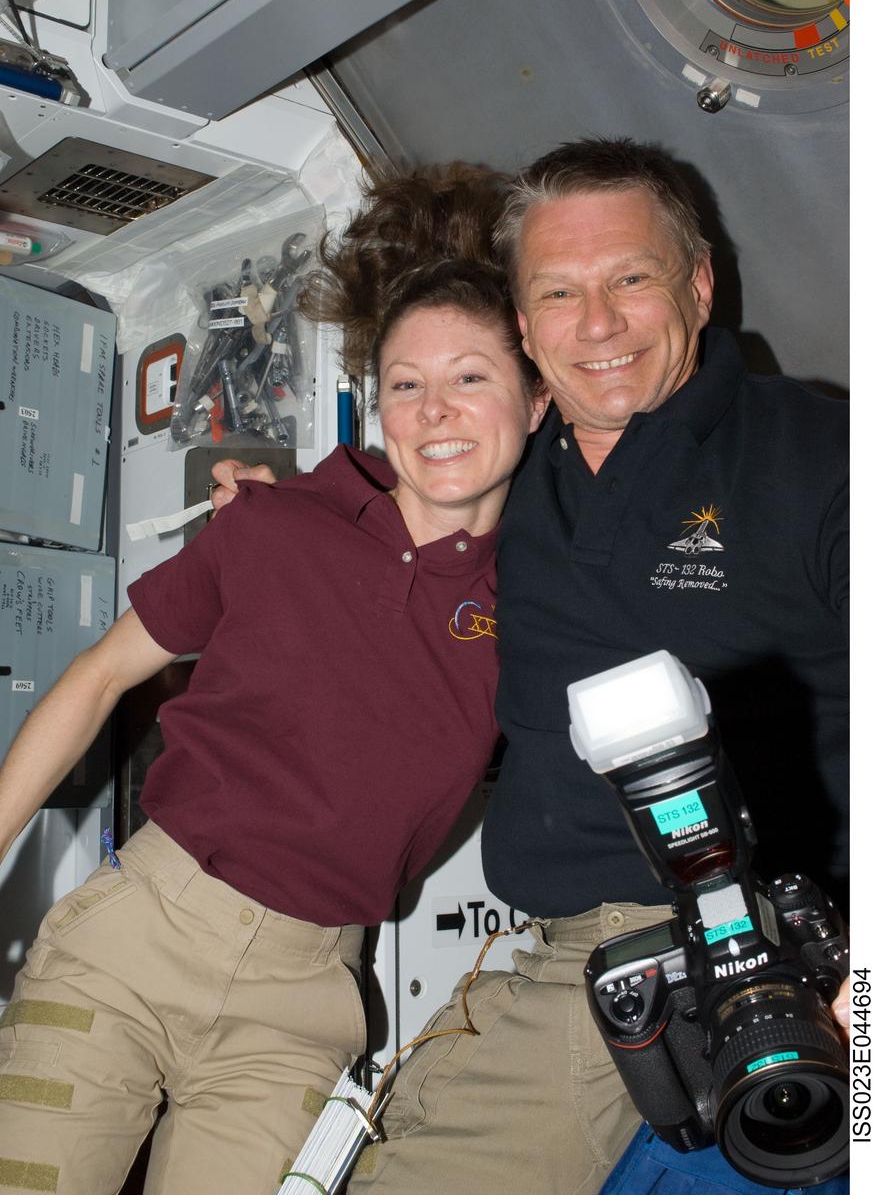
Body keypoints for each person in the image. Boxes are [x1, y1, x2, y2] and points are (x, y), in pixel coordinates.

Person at [0, 166, 547, 1195]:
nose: (435, 411)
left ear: (536, 393)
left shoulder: (542, 606)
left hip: (299, 1007)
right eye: (404, 383)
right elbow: (100, 673)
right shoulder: (274, 524)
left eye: (471, 375)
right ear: (375, 402)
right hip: (138, 937)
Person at [334, 138, 847, 1195]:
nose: (597, 324)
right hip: (559, 955)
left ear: (698, 287)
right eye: (558, 292)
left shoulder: (822, 453)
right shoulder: (509, 482)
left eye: (631, 279)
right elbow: (369, 513)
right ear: (523, 325)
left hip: (757, 948)